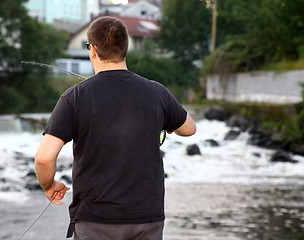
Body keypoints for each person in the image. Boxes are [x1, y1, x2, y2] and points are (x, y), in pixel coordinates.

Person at [35, 16, 196, 240]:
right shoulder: (157, 92)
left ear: (92, 50)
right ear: (125, 49)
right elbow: (189, 128)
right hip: (147, 219)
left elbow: (44, 159)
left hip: (95, 220)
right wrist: (168, 124)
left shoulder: (74, 97)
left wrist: (48, 184)